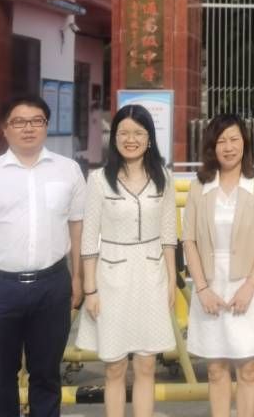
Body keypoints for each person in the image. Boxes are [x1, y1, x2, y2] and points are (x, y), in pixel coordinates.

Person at [0, 95, 86, 417]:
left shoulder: (68, 171)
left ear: (46, 125)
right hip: (0, 289)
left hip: (52, 285)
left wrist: (78, 277)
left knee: (47, 374)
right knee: (0, 377)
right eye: (19, 122)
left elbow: (78, 228)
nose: (28, 128)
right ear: (5, 129)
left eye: (36, 121)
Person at [75, 104, 177, 417]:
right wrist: (90, 289)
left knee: (147, 365)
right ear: (114, 138)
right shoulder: (98, 180)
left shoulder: (164, 178)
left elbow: (168, 234)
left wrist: (171, 280)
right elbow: (89, 238)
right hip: (111, 280)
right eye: (123, 133)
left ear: (150, 138)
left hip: (151, 276)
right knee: (115, 367)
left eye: (138, 133)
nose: (130, 139)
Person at [182, 113, 254, 417]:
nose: (228, 147)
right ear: (211, 146)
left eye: (234, 139)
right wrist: (202, 289)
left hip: (250, 285)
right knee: (215, 369)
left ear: (245, 142)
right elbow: (189, 241)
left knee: (249, 368)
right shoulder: (199, 187)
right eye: (221, 141)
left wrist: (250, 286)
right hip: (210, 286)